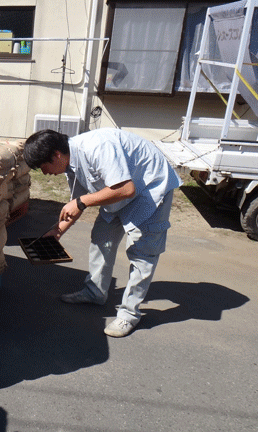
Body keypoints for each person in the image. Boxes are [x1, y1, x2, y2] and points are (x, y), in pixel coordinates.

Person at [23, 128, 182, 337]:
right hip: (120, 192)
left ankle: (129, 315)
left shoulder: (97, 148)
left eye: (44, 167)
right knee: (101, 238)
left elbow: (126, 189)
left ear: (56, 155)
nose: (45, 173)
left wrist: (81, 202)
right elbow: (78, 202)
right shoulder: (72, 162)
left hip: (149, 189)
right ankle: (94, 292)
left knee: (142, 253)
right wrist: (57, 231)